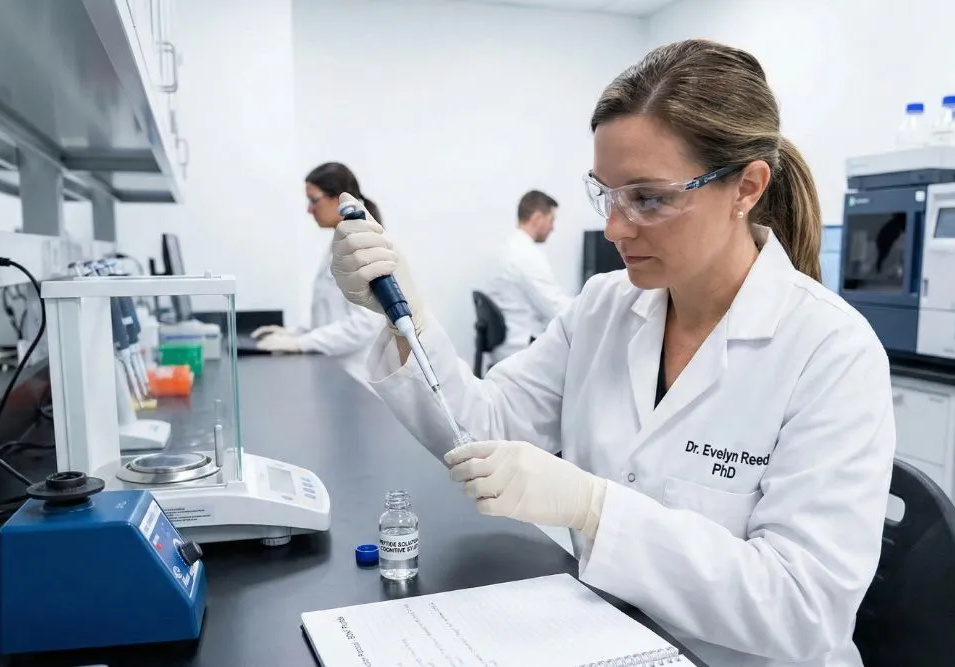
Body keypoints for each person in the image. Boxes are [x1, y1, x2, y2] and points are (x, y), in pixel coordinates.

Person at [330, 39, 894, 667]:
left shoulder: (831, 352)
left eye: (648, 198)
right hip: (601, 637)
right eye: (607, 193)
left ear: (747, 188)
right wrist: (407, 313)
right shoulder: (604, 306)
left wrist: (595, 509)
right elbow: (481, 430)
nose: (615, 228)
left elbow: (802, 610)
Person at [251, 163, 384, 378]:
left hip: (358, 376)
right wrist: (294, 333)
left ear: (339, 199)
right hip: (337, 370)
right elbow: (331, 317)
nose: (309, 209)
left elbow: (364, 324)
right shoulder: (343, 237)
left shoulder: (362, 243)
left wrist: (300, 343)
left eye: (314, 200)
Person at [484, 190, 572, 363]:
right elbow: (557, 309)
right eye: (551, 220)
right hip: (521, 349)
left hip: (504, 347)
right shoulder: (526, 255)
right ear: (538, 218)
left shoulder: (506, 247)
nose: (553, 227)